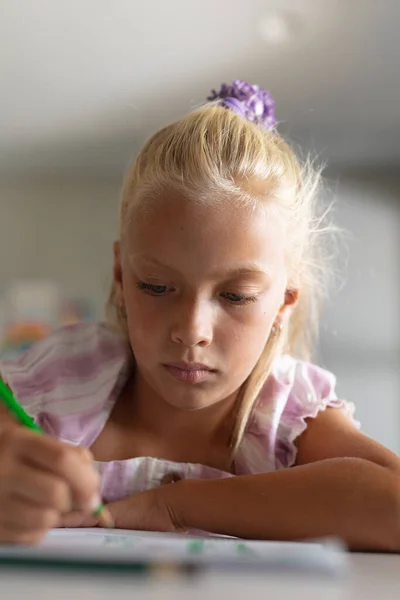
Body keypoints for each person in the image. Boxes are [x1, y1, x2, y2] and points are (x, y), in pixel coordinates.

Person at [0, 80, 399, 549]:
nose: (191, 331)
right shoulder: (60, 379)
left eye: (235, 296)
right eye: (156, 286)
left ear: (285, 300)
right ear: (121, 277)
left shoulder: (286, 414)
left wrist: (174, 506)